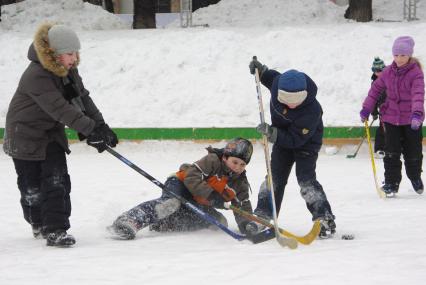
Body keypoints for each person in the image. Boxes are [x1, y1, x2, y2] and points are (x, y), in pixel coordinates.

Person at [3, 23, 119, 247]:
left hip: (50, 133)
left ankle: (56, 229)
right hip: (24, 136)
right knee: (32, 188)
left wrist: (101, 126)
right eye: (69, 53)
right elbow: (61, 109)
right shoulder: (36, 75)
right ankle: (37, 222)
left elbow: (82, 98)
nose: (74, 58)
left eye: (76, 52)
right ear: (53, 54)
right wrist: (90, 130)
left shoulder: (68, 71)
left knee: (57, 181)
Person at [248, 58, 336, 239]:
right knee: (274, 179)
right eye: (286, 100)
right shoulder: (277, 84)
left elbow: (296, 139)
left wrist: (273, 133)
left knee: (306, 181)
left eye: (296, 101)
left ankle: (323, 217)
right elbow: (269, 77)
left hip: (306, 143)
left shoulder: (312, 110)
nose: (291, 105)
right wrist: (260, 70)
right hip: (282, 141)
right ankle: (264, 215)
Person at [108, 138, 259, 239]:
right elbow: (191, 177)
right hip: (181, 185)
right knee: (171, 203)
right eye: (235, 162)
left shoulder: (240, 183)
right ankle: (130, 220)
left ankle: (166, 222)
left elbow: (243, 205)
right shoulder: (213, 161)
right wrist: (212, 196)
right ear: (225, 157)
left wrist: (247, 224)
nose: (238, 167)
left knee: (218, 222)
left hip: (199, 201)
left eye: (242, 164)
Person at [360, 36, 424, 196]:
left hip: (411, 120)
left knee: (413, 152)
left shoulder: (416, 74)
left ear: (409, 55)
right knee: (391, 152)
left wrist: (417, 114)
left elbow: (418, 95)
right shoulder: (388, 72)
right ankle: (391, 183)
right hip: (390, 119)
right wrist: (366, 108)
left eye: (402, 55)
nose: (399, 58)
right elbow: (374, 91)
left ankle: (415, 176)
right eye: (396, 55)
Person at [370, 57, 387, 158]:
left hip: (394, 108)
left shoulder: (389, 79)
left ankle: (395, 147)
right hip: (383, 110)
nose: (378, 73)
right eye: (375, 71)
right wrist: (374, 111)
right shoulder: (374, 83)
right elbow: (373, 98)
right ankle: (380, 149)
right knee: (383, 128)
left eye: (380, 70)